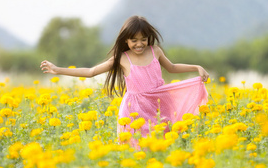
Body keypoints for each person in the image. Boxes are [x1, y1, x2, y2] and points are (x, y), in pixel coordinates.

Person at [40, 15, 209, 146]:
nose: (139, 44)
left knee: (162, 142)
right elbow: (91, 72)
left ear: (149, 38)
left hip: (160, 104)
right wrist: (58, 69)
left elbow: (172, 67)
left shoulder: (155, 51)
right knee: (136, 146)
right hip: (135, 110)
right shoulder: (121, 58)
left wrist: (197, 67)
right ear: (126, 40)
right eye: (134, 40)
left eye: (143, 39)